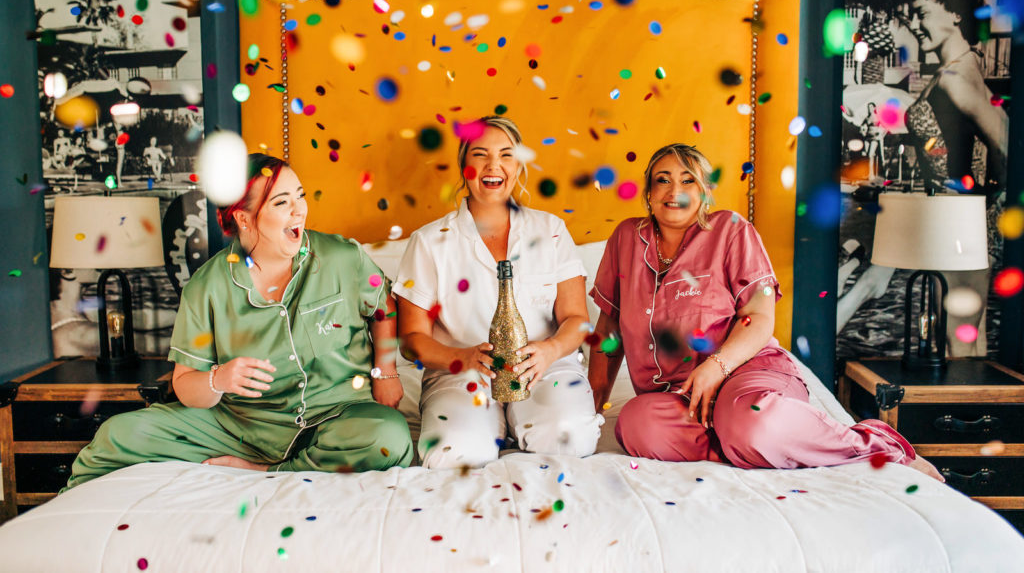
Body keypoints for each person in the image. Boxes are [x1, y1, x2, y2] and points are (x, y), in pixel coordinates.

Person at [587, 143, 943, 480]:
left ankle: (878, 445)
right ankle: (747, 442)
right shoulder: (626, 238)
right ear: (649, 193)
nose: (672, 189)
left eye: (688, 180)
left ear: (705, 193)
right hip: (681, 397)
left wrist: (715, 368)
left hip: (747, 372)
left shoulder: (730, 230)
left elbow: (760, 317)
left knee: (752, 420)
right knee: (636, 425)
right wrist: (591, 405)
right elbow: (609, 329)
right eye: (662, 179)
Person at [65, 154, 412, 490]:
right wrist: (219, 379)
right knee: (118, 434)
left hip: (338, 416)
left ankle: (270, 471)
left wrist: (386, 371)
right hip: (239, 426)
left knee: (388, 437)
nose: (299, 210)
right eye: (281, 202)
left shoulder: (341, 257)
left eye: (300, 197)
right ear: (244, 219)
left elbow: (384, 307)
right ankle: (70, 507)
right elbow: (185, 385)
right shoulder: (207, 286)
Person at [395, 116, 603, 468]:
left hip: (545, 369)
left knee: (572, 439)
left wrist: (549, 350)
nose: (494, 165)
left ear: (518, 164)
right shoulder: (429, 242)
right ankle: (495, 422)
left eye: (506, 154)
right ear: (464, 165)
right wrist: (460, 358)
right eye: (480, 154)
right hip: (460, 375)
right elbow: (411, 338)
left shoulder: (551, 230)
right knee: (453, 454)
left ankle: (518, 419)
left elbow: (577, 319)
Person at [839, 0, 1008, 354]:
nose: (915, 23)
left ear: (954, 13)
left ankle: (959, 414)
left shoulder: (955, 80)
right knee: (966, 338)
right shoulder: (962, 68)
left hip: (961, 221)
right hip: (959, 221)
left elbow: (1006, 148)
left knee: (957, 341)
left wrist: (985, 208)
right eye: (912, 14)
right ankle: (967, 413)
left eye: (922, 12)